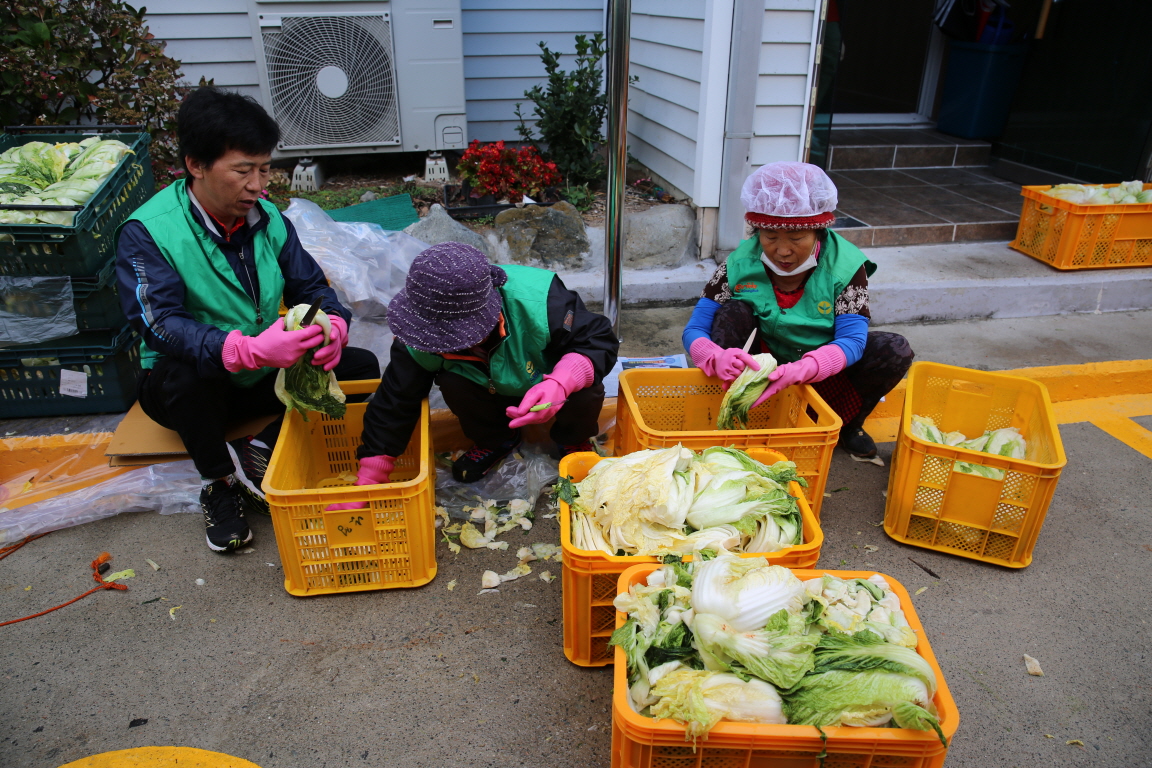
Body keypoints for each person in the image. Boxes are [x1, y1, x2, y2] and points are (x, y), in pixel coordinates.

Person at [116, 87, 379, 553]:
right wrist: (244, 349)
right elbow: (159, 325)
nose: (257, 185)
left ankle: (258, 449)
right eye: (242, 171)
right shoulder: (149, 231)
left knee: (359, 367)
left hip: (261, 372)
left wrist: (333, 324)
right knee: (180, 378)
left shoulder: (269, 220)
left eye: (264, 168)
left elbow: (313, 289)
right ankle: (220, 483)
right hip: (201, 385)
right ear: (195, 164)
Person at [331, 242, 618, 500]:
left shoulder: (541, 300)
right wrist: (370, 477)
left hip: (545, 383)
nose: (443, 346)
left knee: (586, 382)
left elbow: (597, 341)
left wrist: (560, 383)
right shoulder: (417, 334)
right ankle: (496, 440)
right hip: (487, 391)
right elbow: (395, 401)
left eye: (454, 339)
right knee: (453, 382)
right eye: (437, 340)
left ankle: (573, 440)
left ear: (493, 313)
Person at [681, 161, 913, 460]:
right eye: (771, 237)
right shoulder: (739, 262)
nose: (783, 250)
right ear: (757, 233)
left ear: (818, 232)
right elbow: (695, 328)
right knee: (731, 312)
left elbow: (853, 342)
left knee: (895, 350)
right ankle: (735, 411)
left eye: (796, 238)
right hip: (760, 366)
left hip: (822, 366)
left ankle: (847, 424)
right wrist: (712, 354)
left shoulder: (846, 266)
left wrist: (805, 367)